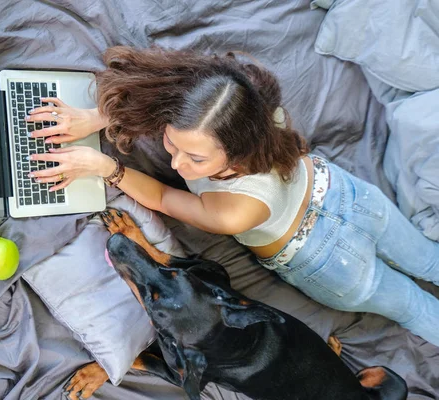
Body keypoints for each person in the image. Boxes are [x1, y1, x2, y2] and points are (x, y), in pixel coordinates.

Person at [24, 46, 439, 347]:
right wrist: (98, 116)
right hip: (350, 196)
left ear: (238, 153)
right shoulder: (247, 97)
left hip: (329, 261)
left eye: (197, 159)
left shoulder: (235, 209)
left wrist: (107, 168)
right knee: (430, 260)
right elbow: (173, 96)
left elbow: (167, 199)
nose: (180, 163)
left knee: (417, 306)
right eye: (172, 145)